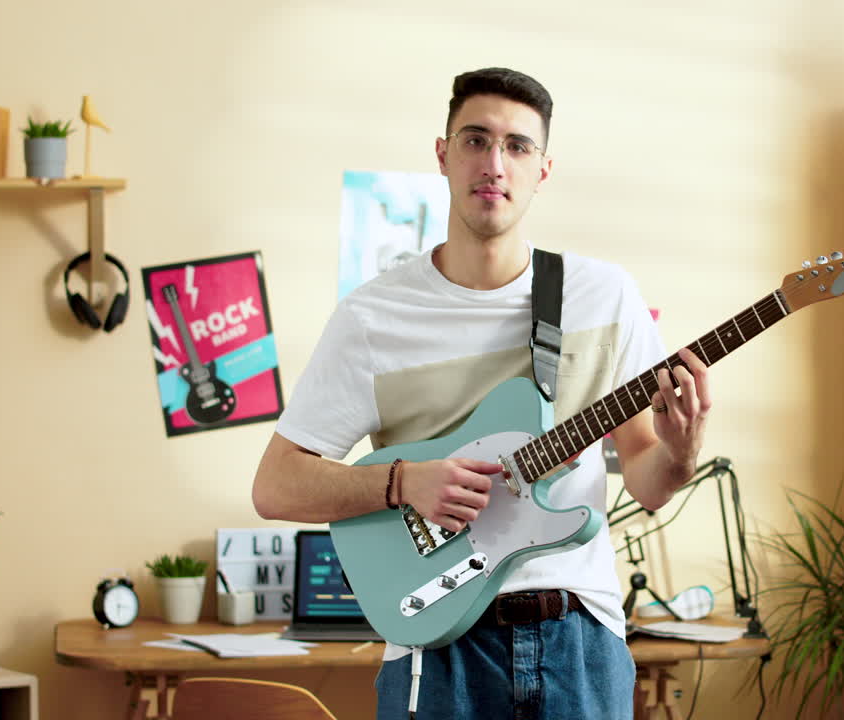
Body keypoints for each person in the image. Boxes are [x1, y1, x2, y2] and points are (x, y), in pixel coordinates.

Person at [252, 67, 710, 719]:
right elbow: (275, 486)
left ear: (543, 169)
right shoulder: (372, 318)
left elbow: (647, 480)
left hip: (578, 638)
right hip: (434, 645)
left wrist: (682, 450)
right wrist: (404, 482)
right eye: (475, 139)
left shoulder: (605, 297)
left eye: (518, 146)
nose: (494, 163)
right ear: (442, 154)